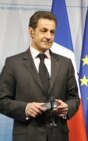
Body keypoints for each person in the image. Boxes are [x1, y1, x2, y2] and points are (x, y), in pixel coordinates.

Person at [0, 11, 79, 141]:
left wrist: (67, 108)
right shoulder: (13, 63)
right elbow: (2, 100)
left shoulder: (66, 63)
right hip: (27, 136)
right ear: (31, 32)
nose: (48, 36)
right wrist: (25, 108)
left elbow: (74, 98)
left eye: (52, 32)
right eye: (44, 30)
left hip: (59, 136)